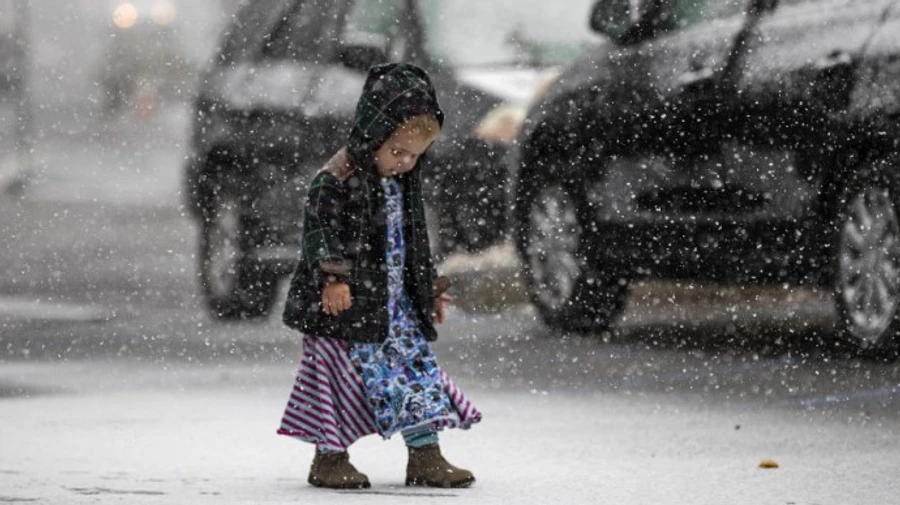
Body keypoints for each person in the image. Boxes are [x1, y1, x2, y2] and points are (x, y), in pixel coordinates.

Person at [277, 63, 481, 490]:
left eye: (415, 156)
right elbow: (321, 232)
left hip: (394, 306)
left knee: (415, 371)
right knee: (336, 378)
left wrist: (425, 292)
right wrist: (333, 279)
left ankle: (426, 454)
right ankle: (329, 458)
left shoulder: (401, 184)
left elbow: (413, 243)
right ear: (373, 134)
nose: (405, 163)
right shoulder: (336, 180)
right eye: (398, 152)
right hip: (343, 305)